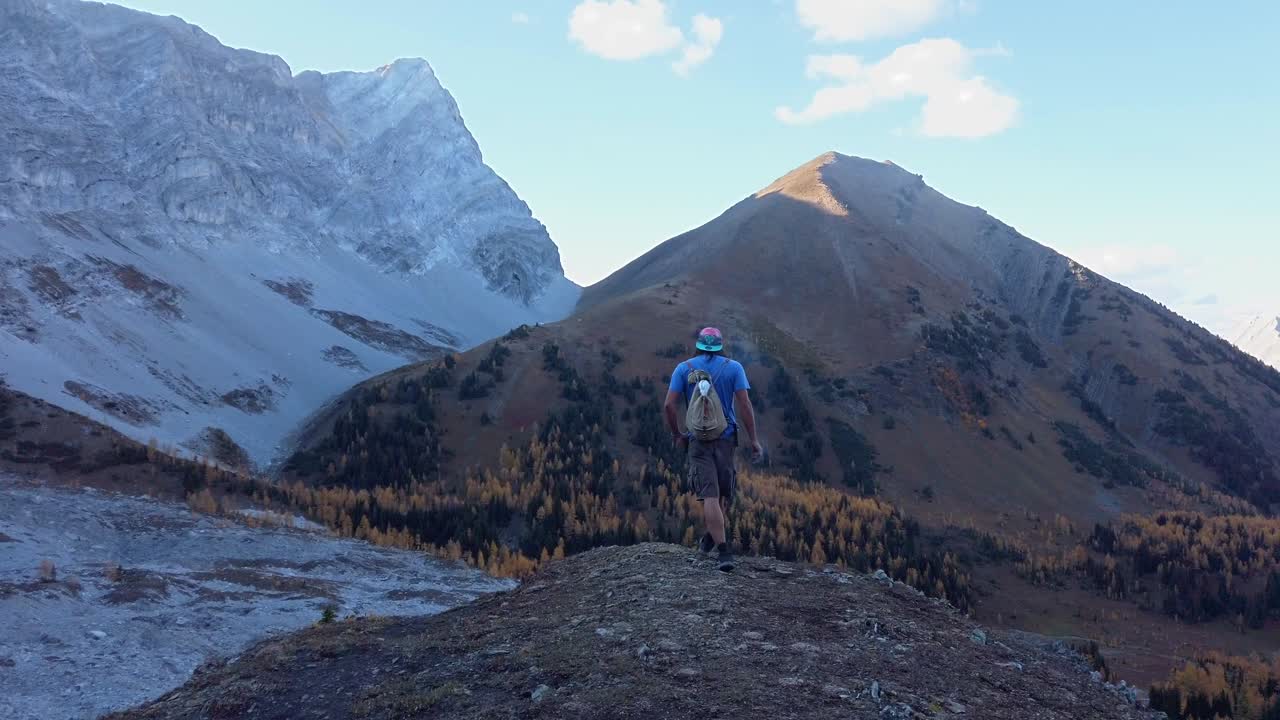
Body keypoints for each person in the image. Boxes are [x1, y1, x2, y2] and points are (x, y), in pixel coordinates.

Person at [663, 326, 763, 572]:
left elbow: (669, 406)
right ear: (720, 345)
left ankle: (713, 539)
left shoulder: (684, 369)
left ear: (698, 344)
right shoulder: (734, 367)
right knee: (722, 493)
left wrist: (678, 434)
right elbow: (745, 405)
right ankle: (724, 550)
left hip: (697, 439)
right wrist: (754, 440)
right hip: (726, 437)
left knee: (710, 494)